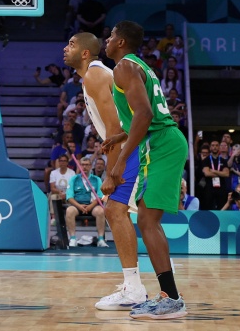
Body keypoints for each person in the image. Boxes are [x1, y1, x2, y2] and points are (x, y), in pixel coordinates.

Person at [103, 21, 188, 320]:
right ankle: (169, 296)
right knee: (147, 218)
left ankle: (172, 299)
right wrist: (121, 136)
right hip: (164, 140)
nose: (107, 40)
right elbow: (145, 115)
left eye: (111, 36)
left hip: (161, 144)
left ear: (121, 42)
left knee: (148, 220)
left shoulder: (123, 67)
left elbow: (145, 114)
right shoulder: (139, 66)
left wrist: (120, 161)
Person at [63, 32, 146, 310]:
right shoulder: (93, 76)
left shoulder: (95, 75)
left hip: (134, 148)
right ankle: (135, 286)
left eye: (72, 44)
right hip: (131, 146)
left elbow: (114, 127)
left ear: (85, 53)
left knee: (116, 211)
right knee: (122, 213)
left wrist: (111, 173)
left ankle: (135, 289)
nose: (65, 48)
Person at [65, 157, 108, 247]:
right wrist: (79, 206)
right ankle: (73, 239)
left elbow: (100, 197)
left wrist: (90, 206)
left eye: (87, 165)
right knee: (69, 211)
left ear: (91, 166)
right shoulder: (74, 179)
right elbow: (69, 197)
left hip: (92, 206)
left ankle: (100, 239)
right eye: (82, 165)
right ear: (79, 166)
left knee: (101, 211)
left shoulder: (97, 179)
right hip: (77, 206)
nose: (84, 167)